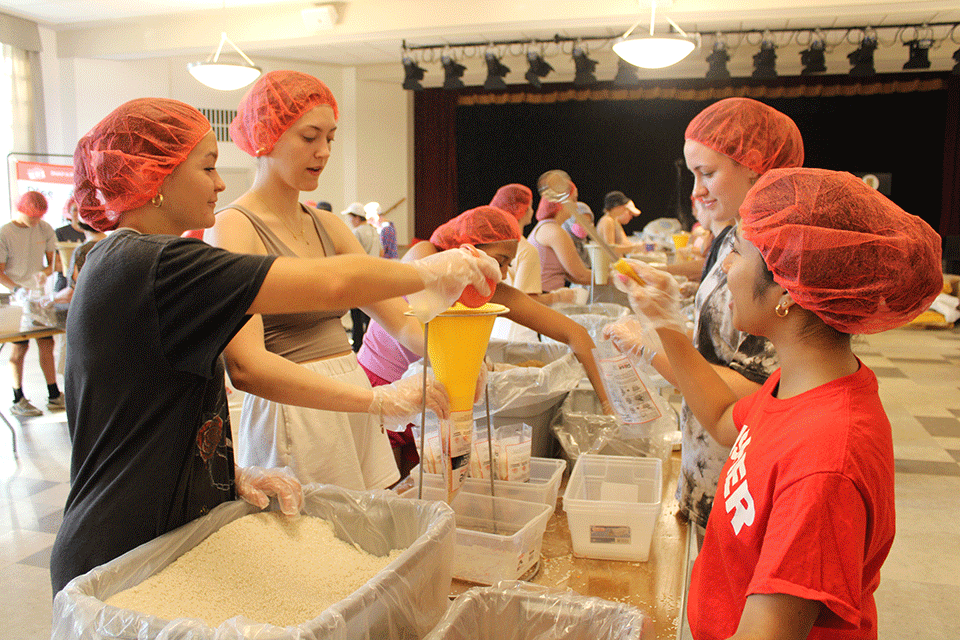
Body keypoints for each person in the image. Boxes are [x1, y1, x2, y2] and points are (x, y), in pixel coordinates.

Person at [49, 96, 498, 594]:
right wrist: (427, 272)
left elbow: (150, 410)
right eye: (209, 167)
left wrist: (224, 475)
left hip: (161, 532)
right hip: (121, 549)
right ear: (158, 176)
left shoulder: (137, 262)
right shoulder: (151, 264)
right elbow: (331, 287)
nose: (220, 183)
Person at [615, 168, 942, 640]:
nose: (724, 268)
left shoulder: (826, 462)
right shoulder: (800, 382)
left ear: (788, 288)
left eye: (739, 253)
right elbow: (728, 422)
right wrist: (663, 324)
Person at [205, 70, 488, 492]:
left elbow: (402, 321)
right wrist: (378, 399)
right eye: (309, 137)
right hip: (296, 406)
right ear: (265, 136)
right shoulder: (233, 228)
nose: (323, 151)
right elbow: (246, 365)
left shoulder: (329, 226)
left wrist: (457, 361)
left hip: (351, 394)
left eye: (331, 138)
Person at [604, 97, 804, 545]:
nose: (695, 192)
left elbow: (757, 393)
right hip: (706, 459)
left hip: (740, 477)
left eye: (707, 173)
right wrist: (674, 306)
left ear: (757, 167)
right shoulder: (733, 236)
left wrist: (655, 341)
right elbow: (719, 344)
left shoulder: (773, 253)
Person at [359, 205, 612, 478]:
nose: (502, 273)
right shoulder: (425, 257)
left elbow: (574, 333)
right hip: (384, 385)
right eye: (500, 260)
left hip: (431, 397)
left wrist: (609, 404)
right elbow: (410, 330)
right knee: (391, 484)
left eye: (507, 265)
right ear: (467, 247)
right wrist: (476, 363)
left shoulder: (486, 287)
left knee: (426, 487)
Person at [0, 191, 63, 416]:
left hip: (37, 295)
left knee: (47, 343)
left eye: (39, 216)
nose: (36, 221)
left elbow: (53, 263)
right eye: (32, 217)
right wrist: (18, 289)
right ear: (21, 210)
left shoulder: (44, 229)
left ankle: (54, 394)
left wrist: (43, 275)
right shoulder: (5, 233)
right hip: (16, 298)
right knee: (19, 347)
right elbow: (0, 272)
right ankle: (18, 397)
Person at [527, 186, 593, 291]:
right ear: (561, 202)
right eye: (574, 200)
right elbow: (580, 275)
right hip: (546, 297)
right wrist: (613, 278)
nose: (576, 206)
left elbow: (572, 275)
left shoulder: (545, 226)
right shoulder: (555, 231)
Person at [344, 201, 382, 351]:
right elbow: (381, 252)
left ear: (356, 217)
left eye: (350, 217)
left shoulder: (357, 232)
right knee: (371, 314)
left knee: (356, 314)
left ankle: (358, 344)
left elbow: (351, 255)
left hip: (360, 277)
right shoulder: (374, 231)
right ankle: (370, 344)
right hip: (374, 276)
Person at [597, 190, 644, 256]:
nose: (624, 210)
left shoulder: (611, 220)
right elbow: (610, 249)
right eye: (623, 207)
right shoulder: (607, 221)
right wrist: (635, 248)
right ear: (616, 207)